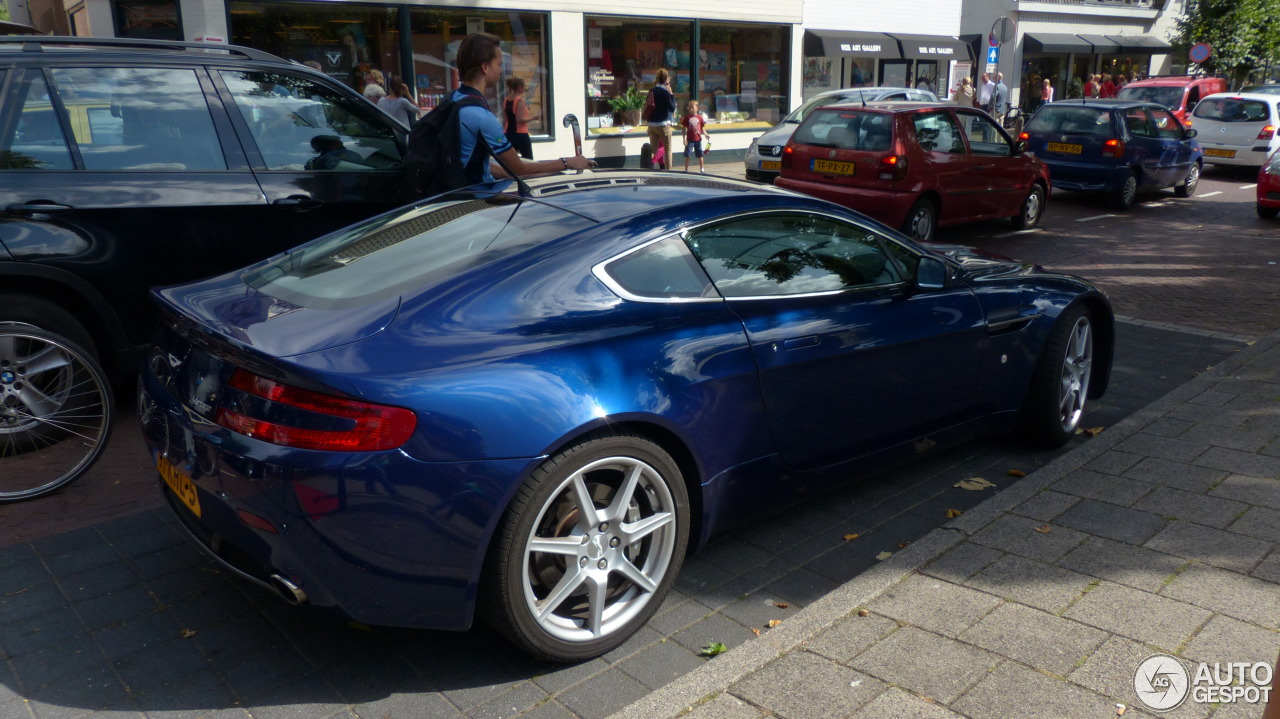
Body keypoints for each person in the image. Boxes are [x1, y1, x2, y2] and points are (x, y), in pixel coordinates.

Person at [445, 33, 591, 186]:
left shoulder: (452, 99)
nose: (502, 70)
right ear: (485, 67)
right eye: (499, 64)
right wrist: (567, 162)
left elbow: (472, 160)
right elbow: (520, 169)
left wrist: (547, 173)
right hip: (475, 197)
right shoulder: (482, 117)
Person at [646, 68, 677, 170]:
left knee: (654, 150)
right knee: (667, 150)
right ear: (665, 79)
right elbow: (672, 108)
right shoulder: (665, 93)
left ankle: (652, 169)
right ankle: (669, 172)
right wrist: (671, 95)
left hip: (651, 125)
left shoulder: (652, 91)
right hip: (663, 124)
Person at [502, 77, 534, 160]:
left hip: (508, 133)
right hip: (520, 134)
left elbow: (505, 120)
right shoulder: (520, 101)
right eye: (524, 86)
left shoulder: (506, 100)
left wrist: (503, 132)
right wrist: (534, 117)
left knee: (511, 160)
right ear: (519, 87)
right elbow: (519, 120)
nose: (525, 88)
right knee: (528, 159)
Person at [681, 100, 709, 173]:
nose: (691, 109)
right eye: (689, 108)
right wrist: (684, 139)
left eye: (692, 107)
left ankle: (702, 169)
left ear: (697, 108)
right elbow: (683, 128)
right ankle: (686, 169)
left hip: (698, 139)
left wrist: (706, 134)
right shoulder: (687, 118)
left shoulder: (700, 118)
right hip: (689, 139)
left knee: (700, 154)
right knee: (688, 154)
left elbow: (702, 128)